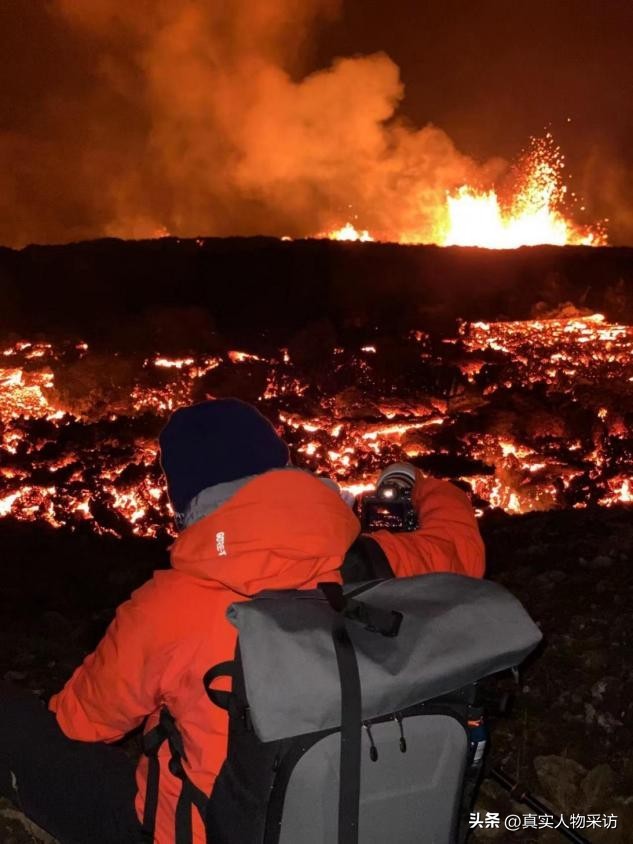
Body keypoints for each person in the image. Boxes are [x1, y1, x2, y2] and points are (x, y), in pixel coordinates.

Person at [0, 398, 485, 844]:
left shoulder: (168, 604)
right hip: (358, 815)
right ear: (283, 467)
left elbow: (82, 722)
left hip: (207, 833)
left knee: (19, 721)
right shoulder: (385, 563)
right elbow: (461, 544)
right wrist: (421, 483)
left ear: (183, 497)